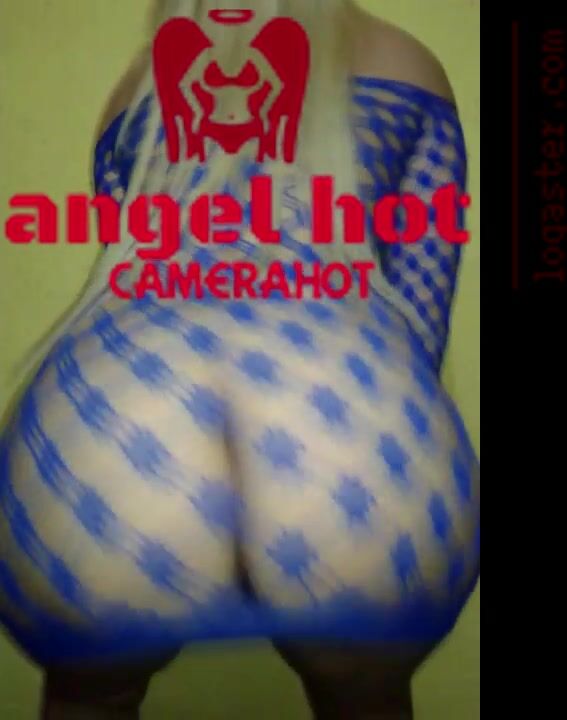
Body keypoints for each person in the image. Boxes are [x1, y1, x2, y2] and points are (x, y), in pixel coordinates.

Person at [0, 1, 480, 717]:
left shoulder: (138, 89)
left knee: (90, 697)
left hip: (121, 417)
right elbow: (419, 319)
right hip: (335, 406)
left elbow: (125, 282)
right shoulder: (405, 61)